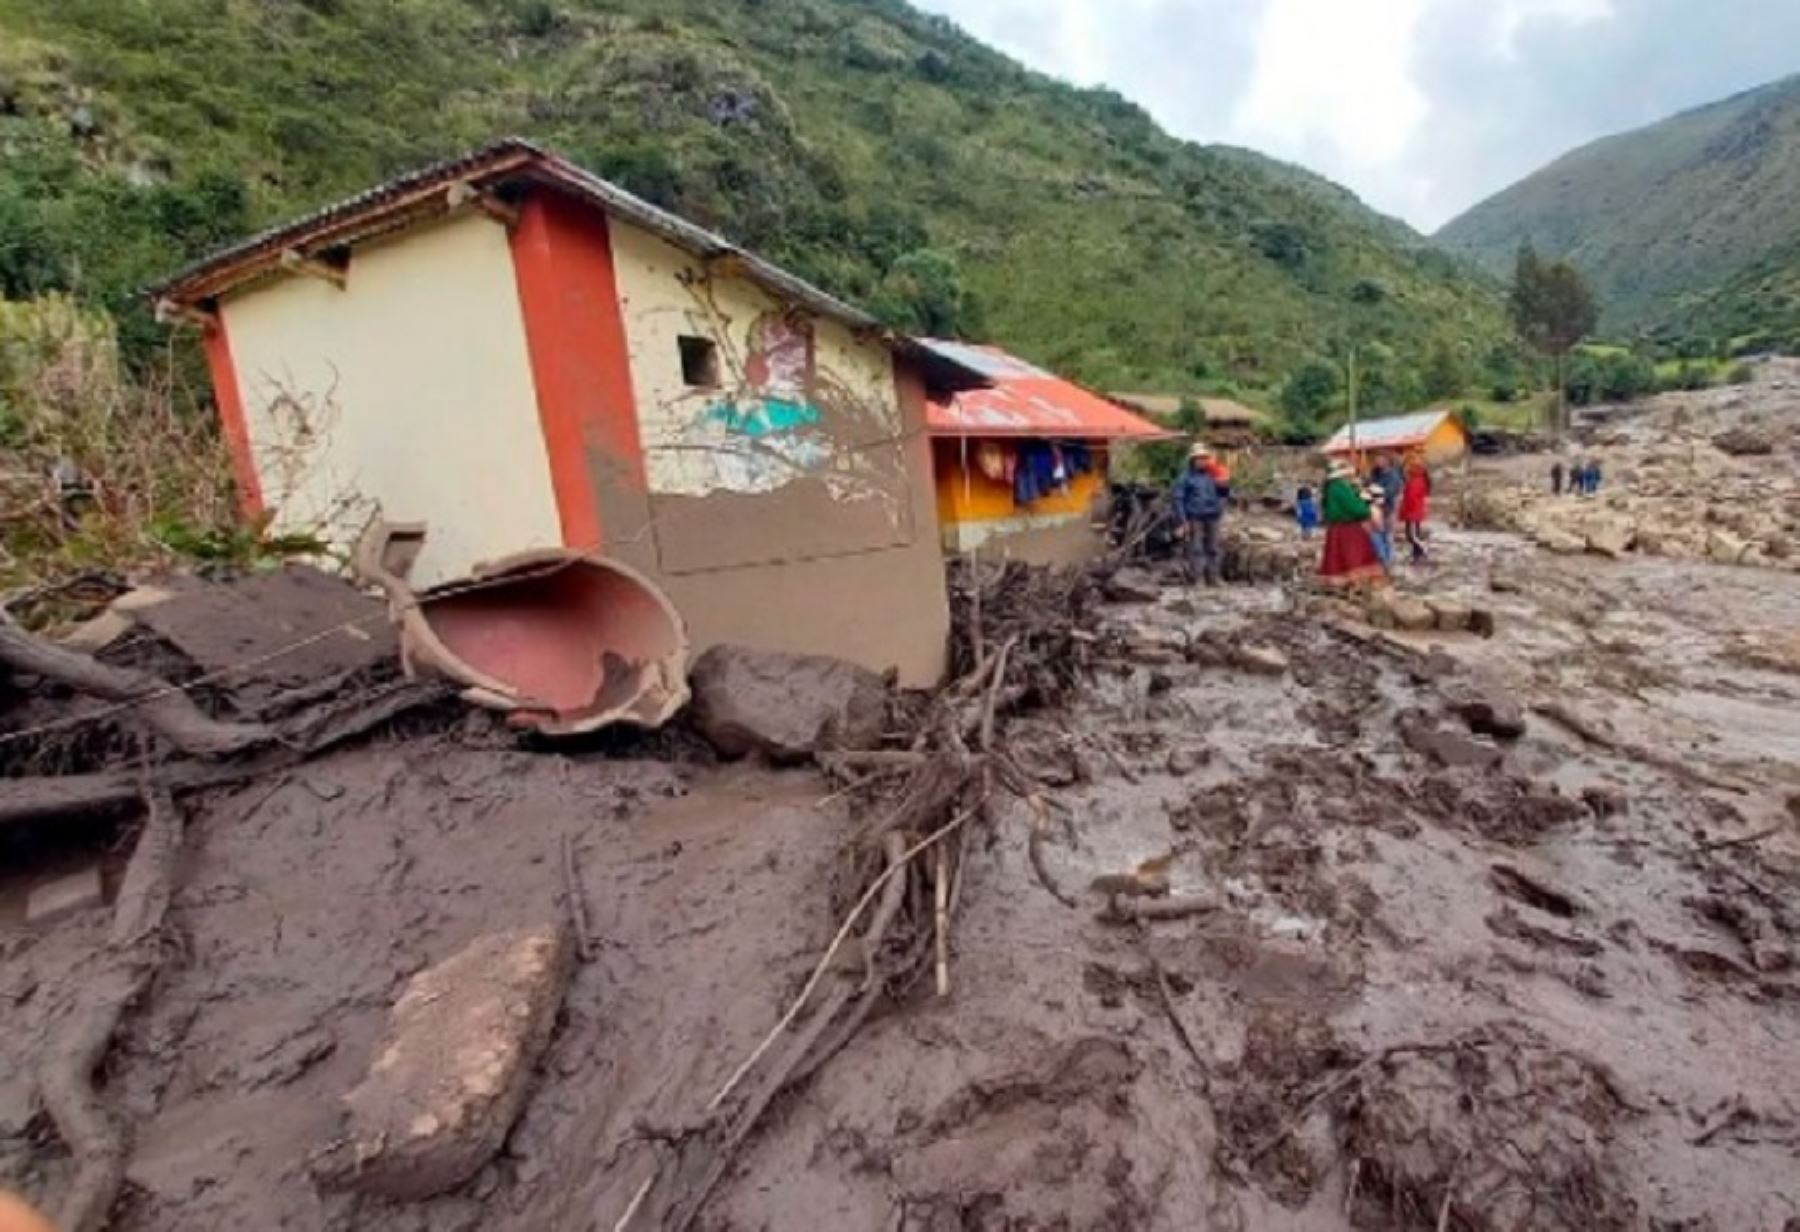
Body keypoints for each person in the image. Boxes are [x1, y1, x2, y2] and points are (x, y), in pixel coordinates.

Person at [1317, 460, 1385, 586]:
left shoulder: (1332, 487)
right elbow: (1353, 508)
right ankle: (1354, 582)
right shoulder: (1340, 487)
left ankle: (1340, 582)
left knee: (1337, 557)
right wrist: (1367, 510)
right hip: (1348, 527)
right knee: (1353, 555)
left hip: (1337, 527)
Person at [1173, 442, 1229, 585]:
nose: (1202, 461)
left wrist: (1223, 490)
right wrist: (1182, 521)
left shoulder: (1214, 474)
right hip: (1194, 517)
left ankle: (1214, 577)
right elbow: (1178, 499)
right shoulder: (1185, 477)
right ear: (1192, 460)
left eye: (1204, 458)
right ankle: (1198, 579)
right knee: (1196, 548)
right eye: (1199, 458)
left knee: (1214, 547)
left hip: (1213, 515)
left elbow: (1224, 493)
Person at [1399, 453, 1431, 564]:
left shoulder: (1416, 481)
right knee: (1413, 535)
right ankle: (1416, 556)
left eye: (1409, 468)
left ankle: (1424, 550)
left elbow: (1411, 499)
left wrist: (1406, 511)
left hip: (1413, 513)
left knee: (1412, 536)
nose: (1407, 470)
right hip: (1413, 512)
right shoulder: (1416, 480)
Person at [1364, 485, 1394, 572]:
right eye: (1379, 496)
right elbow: (1376, 522)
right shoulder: (1373, 509)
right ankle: (1384, 564)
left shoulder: (1375, 508)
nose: (1382, 498)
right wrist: (1381, 528)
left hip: (1376, 531)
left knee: (1383, 547)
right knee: (1380, 549)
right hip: (1375, 532)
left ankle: (1386, 563)